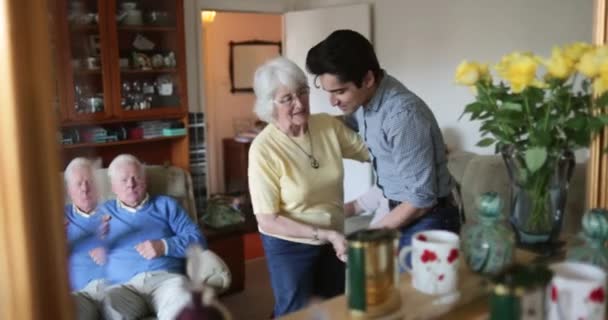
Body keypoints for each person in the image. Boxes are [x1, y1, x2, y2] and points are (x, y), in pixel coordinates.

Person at [306, 29, 460, 252]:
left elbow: (421, 200)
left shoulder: (403, 116)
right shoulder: (367, 97)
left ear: (368, 78)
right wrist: (308, 124)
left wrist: (366, 237)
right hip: (396, 206)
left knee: (402, 286)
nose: (332, 101)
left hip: (427, 217)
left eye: (339, 92)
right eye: (328, 92)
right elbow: (350, 123)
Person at [248, 57, 369, 317]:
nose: (300, 103)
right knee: (295, 313)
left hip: (333, 235)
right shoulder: (263, 150)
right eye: (287, 98)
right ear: (269, 105)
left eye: (302, 92)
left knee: (332, 308)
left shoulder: (326, 126)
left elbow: (370, 152)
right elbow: (268, 220)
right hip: (289, 244)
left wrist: (413, 148)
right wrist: (325, 234)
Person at [101, 154, 207, 320]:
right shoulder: (103, 213)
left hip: (166, 281)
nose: (131, 184)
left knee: (183, 303)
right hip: (123, 287)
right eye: (124, 180)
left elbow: (198, 240)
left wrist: (164, 246)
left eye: (136, 177)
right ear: (113, 187)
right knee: (109, 305)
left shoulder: (166, 205)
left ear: (146, 180)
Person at [64, 157, 109, 320]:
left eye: (89, 182)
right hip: (80, 294)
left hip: (115, 287)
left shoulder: (115, 211)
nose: (85, 189)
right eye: (78, 183)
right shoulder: (58, 218)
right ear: (69, 190)